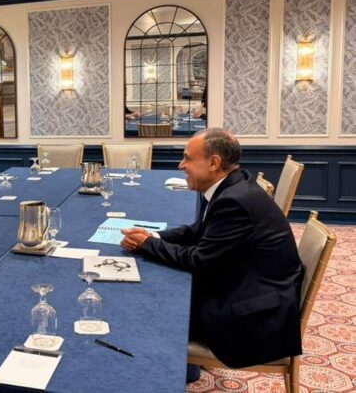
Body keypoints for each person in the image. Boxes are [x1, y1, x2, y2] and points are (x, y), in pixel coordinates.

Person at [120, 128, 303, 368]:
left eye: (187, 158)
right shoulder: (231, 184)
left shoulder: (234, 201)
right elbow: (198, 231)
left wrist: (148, 245)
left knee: (153, 310)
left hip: (254, 319)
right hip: (251, 287)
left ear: (214, 163)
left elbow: (199, 261)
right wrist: (153, 236)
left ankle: (154, 373)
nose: (181, 165)